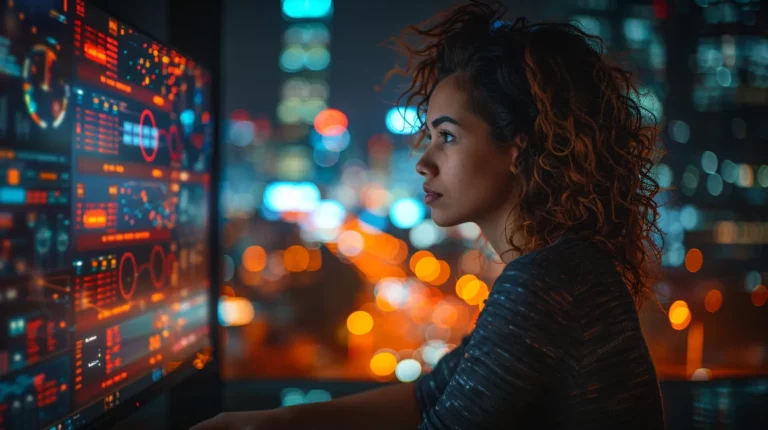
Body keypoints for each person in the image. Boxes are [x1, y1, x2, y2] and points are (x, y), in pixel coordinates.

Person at [190, 0, 669, 428]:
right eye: (429, 136)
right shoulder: (559, 269)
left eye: (448, 137)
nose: (423, 161)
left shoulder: (545, 285)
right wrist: (271, 423)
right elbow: (428, 397)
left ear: (516, 149)